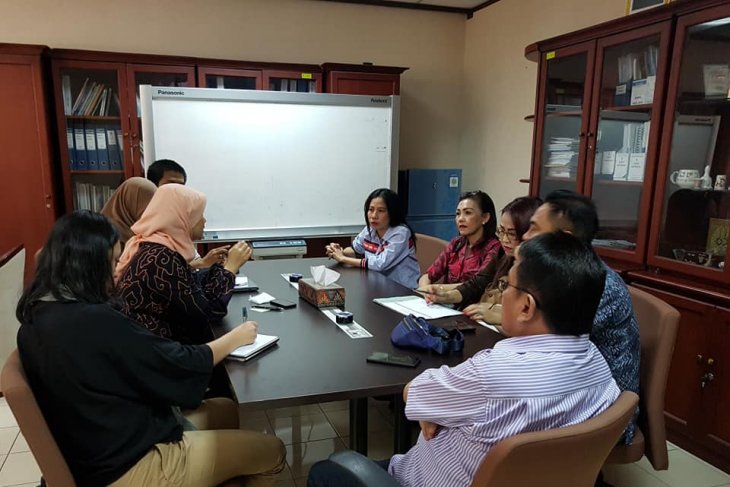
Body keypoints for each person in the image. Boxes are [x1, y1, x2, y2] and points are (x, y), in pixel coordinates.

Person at [307, 232, 621, 487]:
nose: (501, 294)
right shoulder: (600, 368)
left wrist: (436, 408)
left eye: (506, 285)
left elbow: (412, 393)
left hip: (423, 480)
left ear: (526, 307)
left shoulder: (492, 374)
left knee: (328, 470)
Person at [16, 210, 285, 487]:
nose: (116, 272)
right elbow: (176, 364)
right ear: (88, 265)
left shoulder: (38, 316)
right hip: (127, 465)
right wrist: (234, 338)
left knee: (225, 409)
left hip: (100, 443)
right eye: (112, 262)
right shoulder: (93, 321)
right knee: (271, 451)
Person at [519, 189, 640, 443]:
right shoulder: (560, 275)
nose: (525, 237)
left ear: (564, 240)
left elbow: (540, 342)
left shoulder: (597, 285)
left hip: (606, 414)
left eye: (534, 229)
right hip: (569, 391)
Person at [115, 183, 252, 344]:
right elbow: (208, 313)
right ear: (183, 218)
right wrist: (230, 268)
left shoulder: (154, 247)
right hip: (161, 350)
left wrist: (221, 268)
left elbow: (192, 289)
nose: (204, 221)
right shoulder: (161, 257)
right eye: (199, 215)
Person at [424, 196, 542, 325]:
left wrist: (500, 316)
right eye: (501, 231)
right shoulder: (502, 254)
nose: (504, 239)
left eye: (512, 234)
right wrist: (446, 295)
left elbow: (534, 320)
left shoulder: (538, 270)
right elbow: (478, 283)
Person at [325, 188, 420, 289]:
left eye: (381, 211)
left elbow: (380, 264)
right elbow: (355, 250)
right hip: (377, 285)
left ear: (392, 212)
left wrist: (343, 258)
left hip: (403, 289)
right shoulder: (370, 230)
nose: (374, 216)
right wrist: (338, 252)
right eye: (371, 210)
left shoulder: (401, 233)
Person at [145, 158, 228, 268]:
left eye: (181, 186)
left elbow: (185, 266)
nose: (177, 191)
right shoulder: (148, 230)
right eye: (171, 185)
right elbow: (170, 270)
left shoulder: (179, 223)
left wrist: (204, 263)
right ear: (152, 186)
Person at [417, 190, 500, 288]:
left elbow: (477, 285)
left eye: (468, 213)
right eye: (458, 213)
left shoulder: (494, 248)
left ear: (485, 217)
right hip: (440, 296)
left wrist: (438, 289)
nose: (460, 219)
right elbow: (428, 275)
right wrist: (425, 288)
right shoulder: (456, 243)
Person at [99, 177, 157, 246]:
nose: (151, 213)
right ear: (129, 202)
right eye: (146, 206)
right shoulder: (103, 241)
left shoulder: (149, 236)